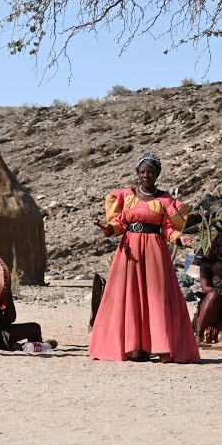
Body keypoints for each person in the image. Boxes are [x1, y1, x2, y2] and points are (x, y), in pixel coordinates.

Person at [89, 152, 200, 363]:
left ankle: (160, 346)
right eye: (142, 172)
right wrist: (107, 227)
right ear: (137, 174)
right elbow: (120, 224)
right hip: (129, 252)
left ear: (157, 174)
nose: (146, 175)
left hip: (154, 253)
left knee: (155, 297)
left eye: (150, 172)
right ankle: (135, 349)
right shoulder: (128, 196)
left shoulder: (165, 199)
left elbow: (168, 229)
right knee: (129, 295)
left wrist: (181, 239)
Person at [193, 225, 222, 344]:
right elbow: (205, 288)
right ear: (217, 246)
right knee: (213, 295)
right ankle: (199, 334)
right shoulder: (208, 264)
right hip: (213, 303)